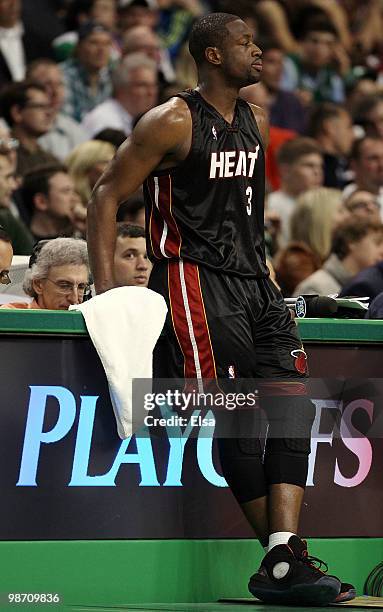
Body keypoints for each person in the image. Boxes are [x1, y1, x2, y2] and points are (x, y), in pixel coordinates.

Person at [87, 12, 352, 606]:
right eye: (244, 43)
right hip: (196, 281)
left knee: (292, 408)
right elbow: (106, 192)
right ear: (210, 56)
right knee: (239, 417)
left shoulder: (257, 120)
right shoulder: (172, 120)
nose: (259, 51)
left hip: (257, 282)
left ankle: (283, 555)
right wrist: (106, 290)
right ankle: (283, 564)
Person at [294, 218, 383, 296]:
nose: (382, 251)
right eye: (377, 243)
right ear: (352, 242)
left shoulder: (372, 284)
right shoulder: (315, 287)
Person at [0, 237, 90, 309]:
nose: (74, 299)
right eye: (64, 286)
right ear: (38, 285)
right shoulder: (9, 317)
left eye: (81, 287)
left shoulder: (90, 322)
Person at [21, 164, 78, 242]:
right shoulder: (21, 241)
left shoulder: (81, 231)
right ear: (41, 202)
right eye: (66, 191)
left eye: (74, 191)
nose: (75, 198)